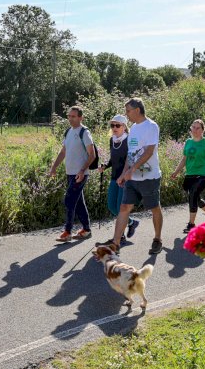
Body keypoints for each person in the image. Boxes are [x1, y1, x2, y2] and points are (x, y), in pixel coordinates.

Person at [96, 98, 163, 255]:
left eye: (128, 111)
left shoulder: (151, 126)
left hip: (149, 177)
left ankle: (157, 239)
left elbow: (149, 152)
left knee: (154, 208)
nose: (127, 114)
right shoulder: (133, 128)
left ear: (137, 110)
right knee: (124, 207)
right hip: (132, 178)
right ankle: (116, 243)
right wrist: (124, 173)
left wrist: (131, 170)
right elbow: (130, 153)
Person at [49, 106, 96, 242]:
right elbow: (63, 152)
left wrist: (82, 171)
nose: (70, 118)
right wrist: (54, 167)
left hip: (80, 174)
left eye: (73, 116)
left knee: (69, 201)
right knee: (79, 202)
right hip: (70, 173)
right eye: (69, 116)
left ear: (80, 118)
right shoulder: (68, 131)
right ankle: (86, 230)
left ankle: (67, 232)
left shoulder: (84, 132)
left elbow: (91, 155)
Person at [170, 119, 205, 234]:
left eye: (198, 128)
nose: (195, 130)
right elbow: (184, 159)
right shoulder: (188, 142)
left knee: (193, 194)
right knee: (195, 197)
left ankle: (191, 224)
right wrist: (176, 172)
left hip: (204, 174)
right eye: (193, 127)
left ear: (203, 130)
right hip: (190, 174)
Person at [97, 114, 139, 245]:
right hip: (114, 178)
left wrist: (126, 175)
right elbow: (112, 159)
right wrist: (105, 165)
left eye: (117, 125)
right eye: (112, 125)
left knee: (121, 208)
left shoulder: (129, 140)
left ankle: (119, 237)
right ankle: (132, 222)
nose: (114, 128)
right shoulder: (112, 140)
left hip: (125, 179)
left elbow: (132, 159)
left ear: (124, 127)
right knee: (112, 206)